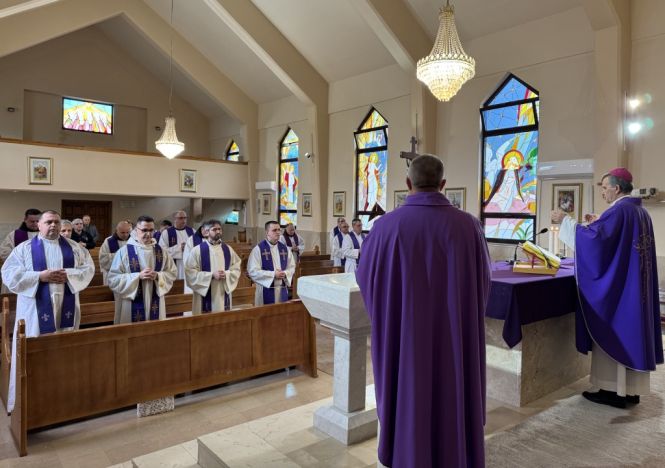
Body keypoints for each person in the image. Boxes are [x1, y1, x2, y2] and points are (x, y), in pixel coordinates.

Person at [356, 155, 491, 468]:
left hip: (405, 337)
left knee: (407, 390)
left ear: (408, 183)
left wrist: (393, 310)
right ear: (443, 184)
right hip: (452, 336)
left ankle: (408, 454)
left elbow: (365, 277)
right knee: (452, 388)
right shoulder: (468, 226)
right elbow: (483, 281)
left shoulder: (385, 226)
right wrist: (459, 313)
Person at [552, 167, 663, 409]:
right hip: (633, 287)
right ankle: (631, 390)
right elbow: (611, 239)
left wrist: (566, 221)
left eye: (604, 188)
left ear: (616, 188)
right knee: (632, 332)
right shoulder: (639, 211)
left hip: (620, 292)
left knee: (615, 329)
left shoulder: (620, 210)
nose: (603, 192)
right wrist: (597, 222)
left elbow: (596, 242)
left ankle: (613, 391)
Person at [1, 210, 95, 413]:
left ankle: (64, 400)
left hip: (66, 308)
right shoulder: (24, 248)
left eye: (56, 222)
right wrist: (39, 277)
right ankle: (26, 403)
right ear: (39, 225)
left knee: (66, 349)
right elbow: (9, 274)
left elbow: (88, 269)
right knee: (33, 350)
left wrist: (68, 275)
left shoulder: (75, 248)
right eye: (48, 222)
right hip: (34, 312)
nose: (53, 225)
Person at [107, 215, 177, 323]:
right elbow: (113, 279)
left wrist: (158, 276)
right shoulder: (124, 252)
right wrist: (137, 276)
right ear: (136, 230)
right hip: (131, 302)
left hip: (155, 300)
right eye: (144, 230)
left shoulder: (162, 252)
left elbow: (172, 273)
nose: (148, 234)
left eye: (151, 230)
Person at [185, 219, 242, 314]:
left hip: (223, 291)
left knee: (223, 318)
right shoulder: (197, 250)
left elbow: (236, 268)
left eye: (219, 229)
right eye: (214, 229)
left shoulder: (228, 249)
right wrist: (211, 275)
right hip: (204, 294)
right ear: (207, 232)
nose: (218, 231)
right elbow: (190, 272)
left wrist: (227, 274)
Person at [247, 221, 295, 305]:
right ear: (267, 232)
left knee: (281, 312)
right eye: (274, 230)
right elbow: (252, 271)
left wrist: (285, 273)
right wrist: (273, 274)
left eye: (279, 230)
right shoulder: (258, 250)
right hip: (264, 290)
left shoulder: (285, 249)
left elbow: (292, 267)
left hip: (282, 289)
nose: (278, 232)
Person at [0, 208, 41, 293]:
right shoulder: (15, 234)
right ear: (25, 220)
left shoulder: (45, 235)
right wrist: (22, 260)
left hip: (39, 272)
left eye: (37, 221)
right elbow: (4, 251)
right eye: (32, 221)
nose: (35, 224)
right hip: (19, 271)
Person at [158, 211, 194, 281]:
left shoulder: (192, 231)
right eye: (181, 218)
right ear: (174, 219)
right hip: (174, 265)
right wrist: (179, 248)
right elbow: (162, 251)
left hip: (190, 264)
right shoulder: (166, 233)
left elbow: (197, 248)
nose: (184, 220)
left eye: (185, 218)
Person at [99, 220, 132, 285]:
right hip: (113, 275)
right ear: (117, 231)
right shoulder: (108, 241)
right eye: (122, 232)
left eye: (127, 232)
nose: (125, 235)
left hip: (129, 275)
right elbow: (103, 259)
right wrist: (120, 255)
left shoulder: (134, 241)